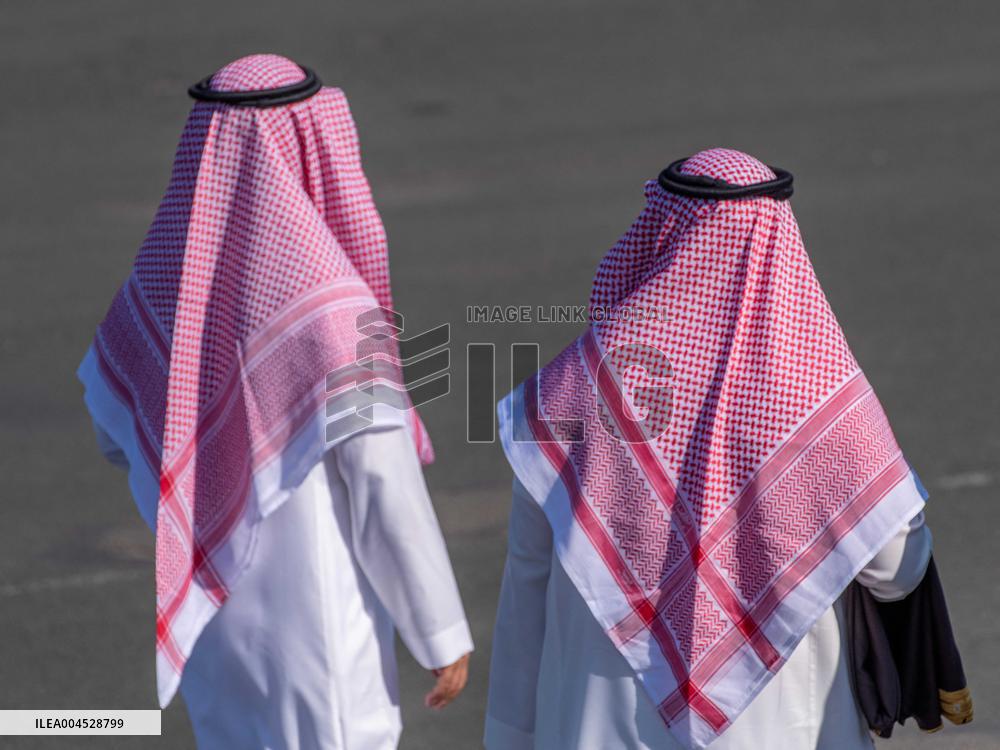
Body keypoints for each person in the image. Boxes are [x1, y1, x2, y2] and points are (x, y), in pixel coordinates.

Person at [78, 53, 472, 750]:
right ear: (315, 145)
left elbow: (116, 425)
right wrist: (437, 630)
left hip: (218, 620)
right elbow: (382, 483)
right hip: (322, 635)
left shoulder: (171, 285)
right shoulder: (337, 315)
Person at [486, 149, 932, 750]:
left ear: (663, 232)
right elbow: (896, 571)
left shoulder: (570, 393)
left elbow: (527, 578)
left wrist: (508, 734)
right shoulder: (819, 402)